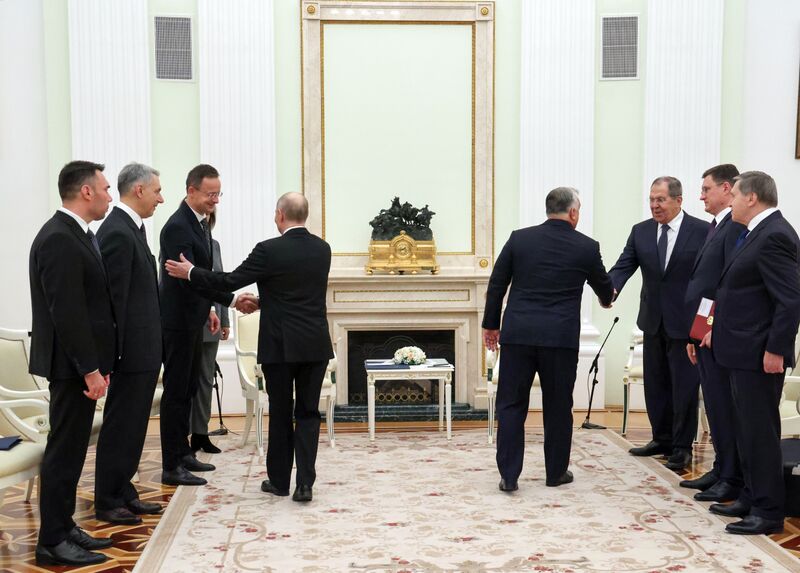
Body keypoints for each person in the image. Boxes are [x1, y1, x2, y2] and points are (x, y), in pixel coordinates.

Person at [165, 192, 333, 502]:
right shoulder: (323, 249)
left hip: (279, 346)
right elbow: (299, 293)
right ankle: (305, 484)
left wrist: (191, 272)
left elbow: (230, 281)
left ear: (280, 215)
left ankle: (279, 482)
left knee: (280, 412)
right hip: (315, 344)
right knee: (309, 413)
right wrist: (265, 301)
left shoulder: (268, 250)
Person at [481, 187, 614, 492]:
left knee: (511, 405)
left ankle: (509, 476)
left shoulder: (519, 239)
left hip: (519, 336)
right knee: (558, 406)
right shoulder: (587, 247)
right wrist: (608, 298)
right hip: (560, 339)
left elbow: (497, 284)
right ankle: (556, 473)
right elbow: (605, 290)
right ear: (573, 212)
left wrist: (491, 325)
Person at [29, 161, 116, 566]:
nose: (109, 195)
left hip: (79, 365)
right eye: (106, 188)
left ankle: (64, 527)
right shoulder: (59, 238)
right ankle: (51, 541)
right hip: (71, 368)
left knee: (73, 449)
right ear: (86, 191)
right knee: (63, 452)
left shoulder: (75, 234)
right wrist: (89, 369)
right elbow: (67, 312)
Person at [704, 171, 800, 535]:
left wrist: (776, 349)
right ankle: (750, 495)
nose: (730, 202)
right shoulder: (754, 233)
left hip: (759, 355)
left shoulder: (775, 235)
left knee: (759, 433)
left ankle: (769, 510)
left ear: (752, 198)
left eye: (735, 195)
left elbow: (790, 300)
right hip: (740, 351)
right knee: (745, 430)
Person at [158, 164, 256, 486]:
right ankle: (171, 465)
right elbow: (188, 278)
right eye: (210, 194)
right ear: (191, 191)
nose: (215, 200)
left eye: (218, 194)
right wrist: (230, 300)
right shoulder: (177, 227)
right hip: (178, 323)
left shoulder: (200, 223)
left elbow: (200, 274)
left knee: (188, 390)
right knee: (176, 393)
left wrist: (210, 310)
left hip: (194, 317)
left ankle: (184, 452)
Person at [609, 176, 707, 470]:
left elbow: (709, 278)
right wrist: (608, 289)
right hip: (652, 321)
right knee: (656, 385)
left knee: (684, 387)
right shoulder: (640, 231)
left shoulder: (702, 231)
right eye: (651, 199)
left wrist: (704, 325)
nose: (655, 205)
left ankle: (682, 446)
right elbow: (624, 265)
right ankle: (661, 439)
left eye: (661, 199)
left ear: (678, 200)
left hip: (686, 324)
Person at [93, 162, 166, 525]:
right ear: (139, 190)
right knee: (121, 426)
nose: (160, 199)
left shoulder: (132, 228)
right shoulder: (117, 232)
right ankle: (108, 499)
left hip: (143, 350)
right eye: (157, 191)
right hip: (129, 353)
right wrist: (114, 355)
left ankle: (124, 491)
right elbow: (113, 301)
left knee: (135, 426)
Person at [682, 164, 745, 502]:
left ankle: (731, 476)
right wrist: (695, 333)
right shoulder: (717, 226)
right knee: (714, 404)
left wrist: (712, 328)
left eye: (706, 189)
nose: (701, 196)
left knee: (723, 404)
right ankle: (721, 469)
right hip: (705, 331)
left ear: (726, 188)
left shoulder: (734, 226)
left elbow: (727, 284)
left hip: (718, 333)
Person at [190, 210, 230, 455]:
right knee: (188, 380)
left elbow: (220, 282)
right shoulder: (180, 239)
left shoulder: (214, 246)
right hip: (189, 321)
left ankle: (200, 433)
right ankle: (182, 435)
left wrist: (225, 319)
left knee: (206, 379)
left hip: (212, 323)